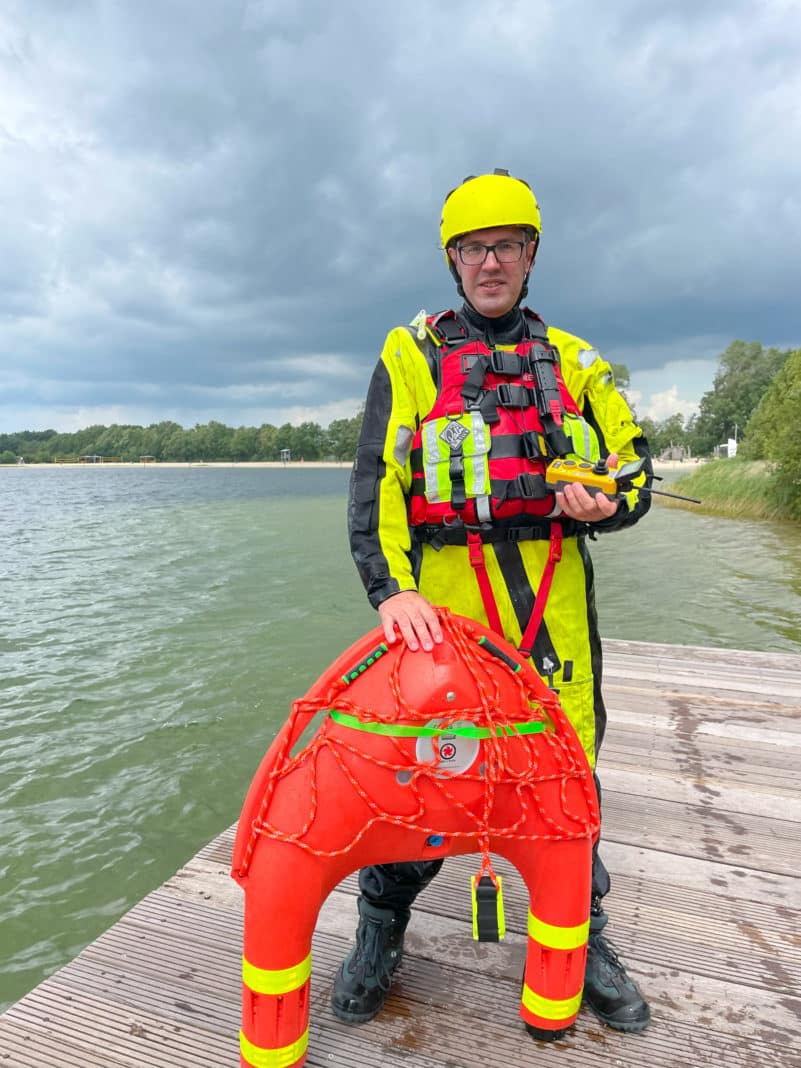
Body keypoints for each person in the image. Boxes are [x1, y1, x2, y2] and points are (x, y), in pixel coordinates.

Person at [334, 169, 652, 1036]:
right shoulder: (410, 355)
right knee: (423, 784)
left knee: (564, 787)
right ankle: (380, 928)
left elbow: (633, 473)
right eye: (473, 248)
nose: (490, 262)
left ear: (531, 255)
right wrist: (390, 588)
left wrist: (609, 502)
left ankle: (582, 941)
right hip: (444, 628)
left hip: (555, 623)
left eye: (506, 245)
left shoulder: (577, 362)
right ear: (452, 260)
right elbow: (375, 488)